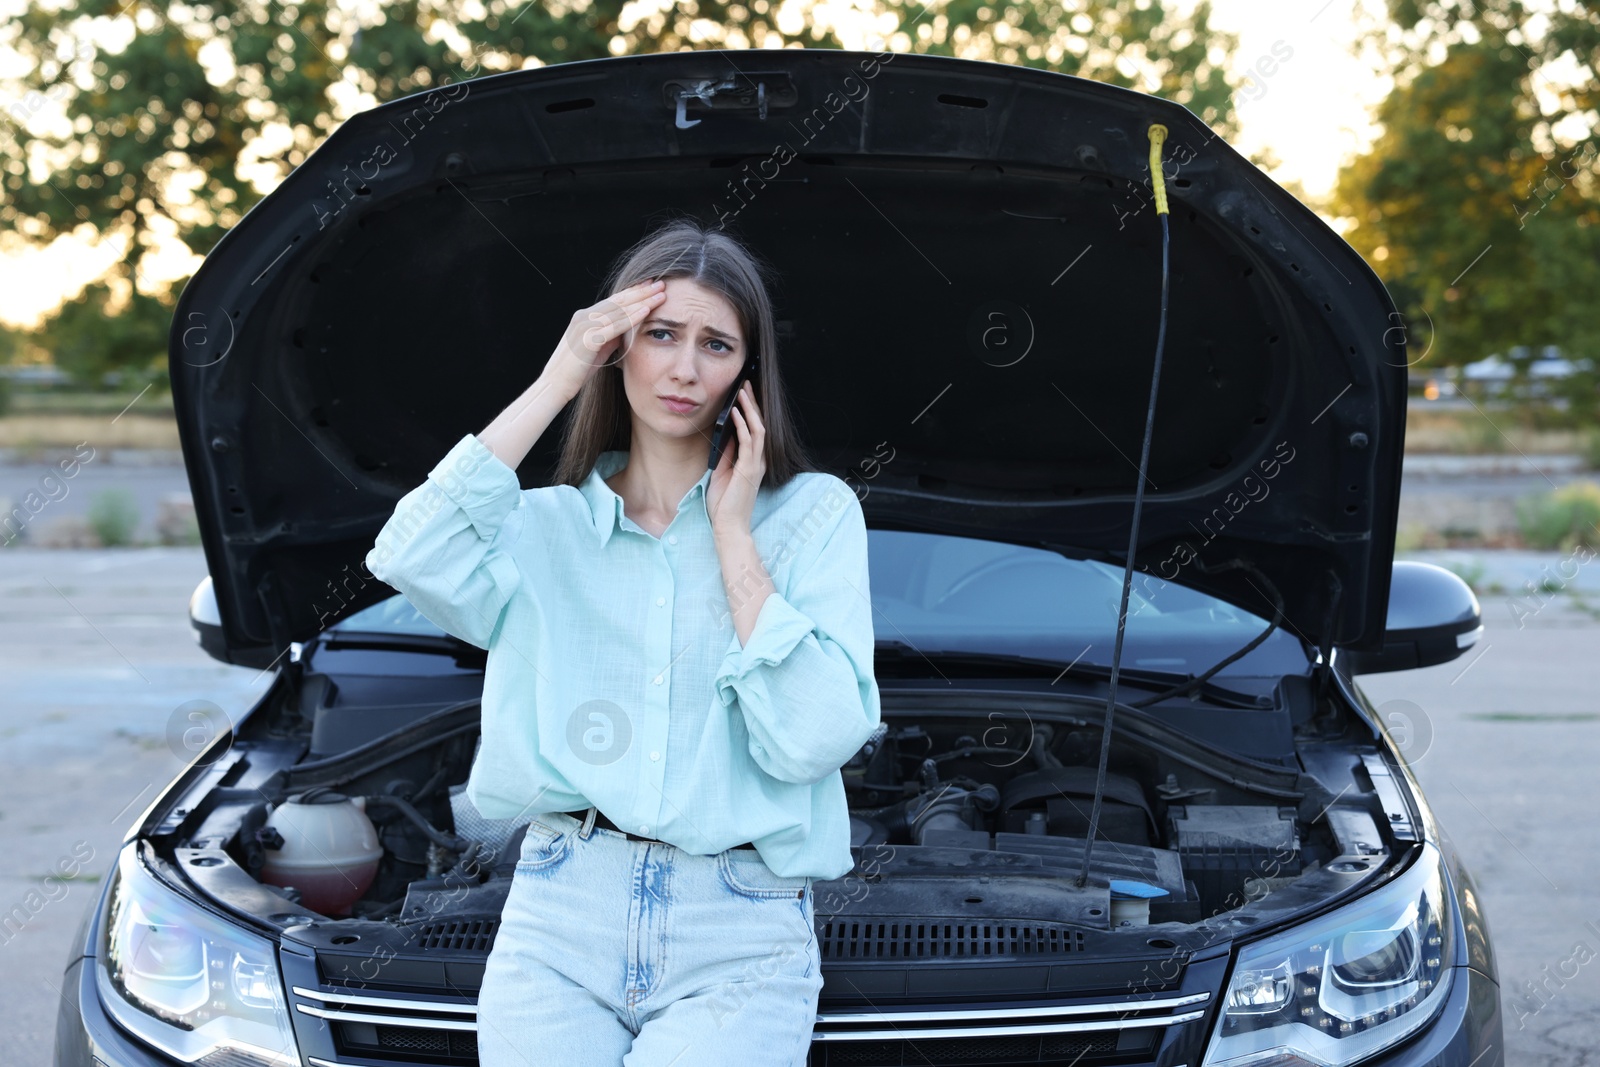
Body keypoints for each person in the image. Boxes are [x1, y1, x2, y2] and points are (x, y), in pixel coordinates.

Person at [363, 216, 881, 1066]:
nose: (684, 366)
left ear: (746, 374)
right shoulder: (541, 528)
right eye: (660, 333)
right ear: (616, 347)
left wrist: (734, 538)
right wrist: (558, 376)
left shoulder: (815, 515)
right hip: (560, 914)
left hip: (740, 929)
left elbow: (814, 738)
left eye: (715, 344)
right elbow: (408, 553)